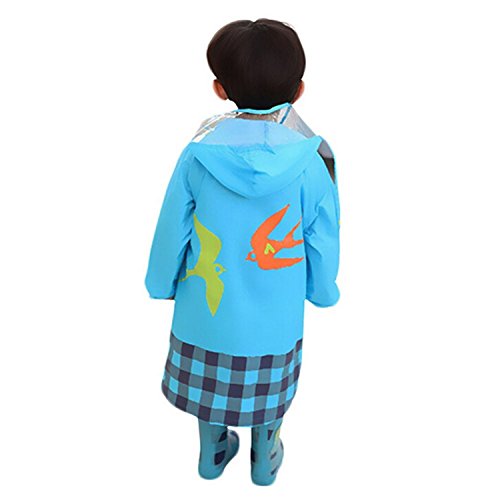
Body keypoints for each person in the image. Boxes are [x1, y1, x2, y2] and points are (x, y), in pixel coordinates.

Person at [145, 18, 341, 486]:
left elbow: (172, 226)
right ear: (299, 90)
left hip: (206, 310)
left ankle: (212, 454)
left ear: (219, 88)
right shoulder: (312, 161)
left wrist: (160, 281)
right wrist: (322, 288)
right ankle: (264, 457)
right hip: (275, 316)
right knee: (268, 393)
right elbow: (323, 233)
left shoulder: (198, 155)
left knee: (211, 389)